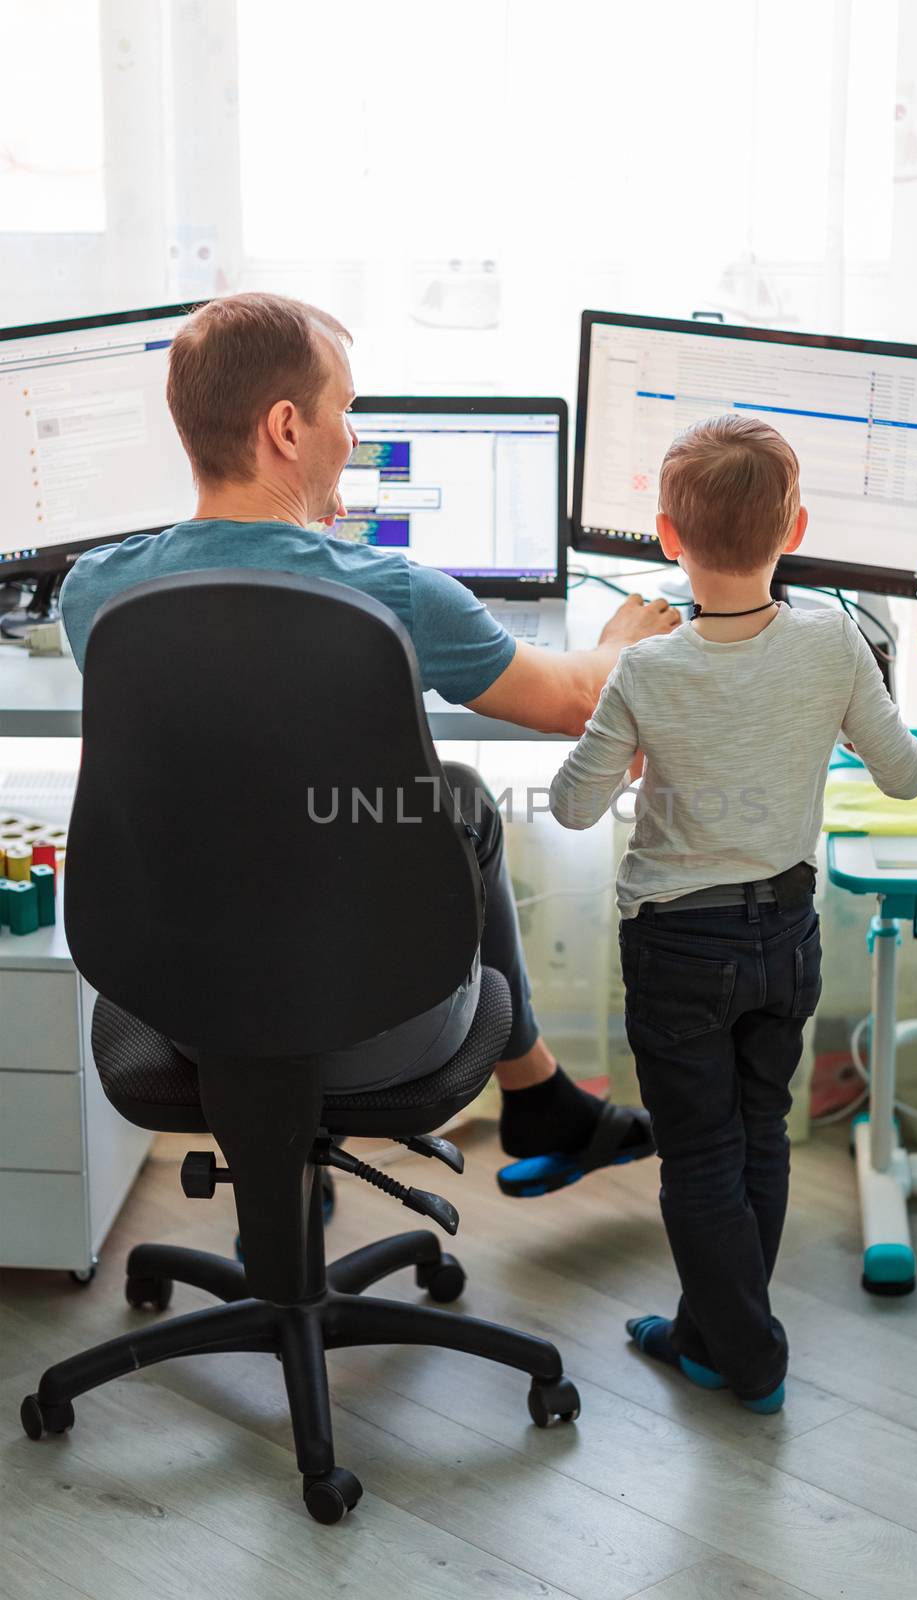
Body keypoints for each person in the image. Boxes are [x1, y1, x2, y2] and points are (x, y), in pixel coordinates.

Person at [59, 292, 682, 1189]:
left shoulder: (94, 594)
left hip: (184, 1013)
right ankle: (536, 1091)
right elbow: (572, 702)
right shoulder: (394, 596)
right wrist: (623, 639)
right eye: (344, 412)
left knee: (311, 812)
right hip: (374, 1027)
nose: (352, 436)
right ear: (285, 426)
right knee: (458, 800)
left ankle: (294, 1181)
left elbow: (234, 741)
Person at [548, 415, 917, 1411]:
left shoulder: (648, 667)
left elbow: (572, 805)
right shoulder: (832, 641)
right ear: (793, 526)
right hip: (783, 939)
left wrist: (625, 713)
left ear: (666, 538)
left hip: (678, 944)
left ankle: (748, 1355)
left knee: (701, 1154)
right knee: (758, 1130)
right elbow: (903, 776)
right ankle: (710, 1334)